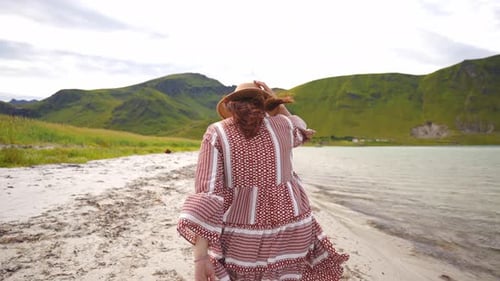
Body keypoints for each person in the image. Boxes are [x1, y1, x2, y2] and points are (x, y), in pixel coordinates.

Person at [177, 81, 349, 280]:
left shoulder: (217, 132)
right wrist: (280, 106)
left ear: (231, 105)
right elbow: (302, 129)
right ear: (265, 104)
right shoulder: (284, 125)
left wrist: (200, 257)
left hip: (242, 235)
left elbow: (208, 195)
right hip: (293, 226)